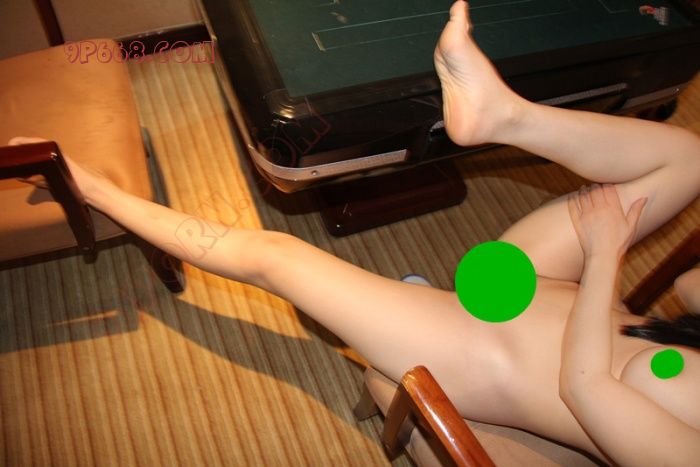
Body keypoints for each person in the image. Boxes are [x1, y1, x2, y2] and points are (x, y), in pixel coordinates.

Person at [9, 1, 700, 464]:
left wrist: (605, 253)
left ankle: (95, 189)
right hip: (535, 286)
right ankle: (503, 117)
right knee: (688, 160)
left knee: (275, 256)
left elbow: (586, 387)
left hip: (479, 352)